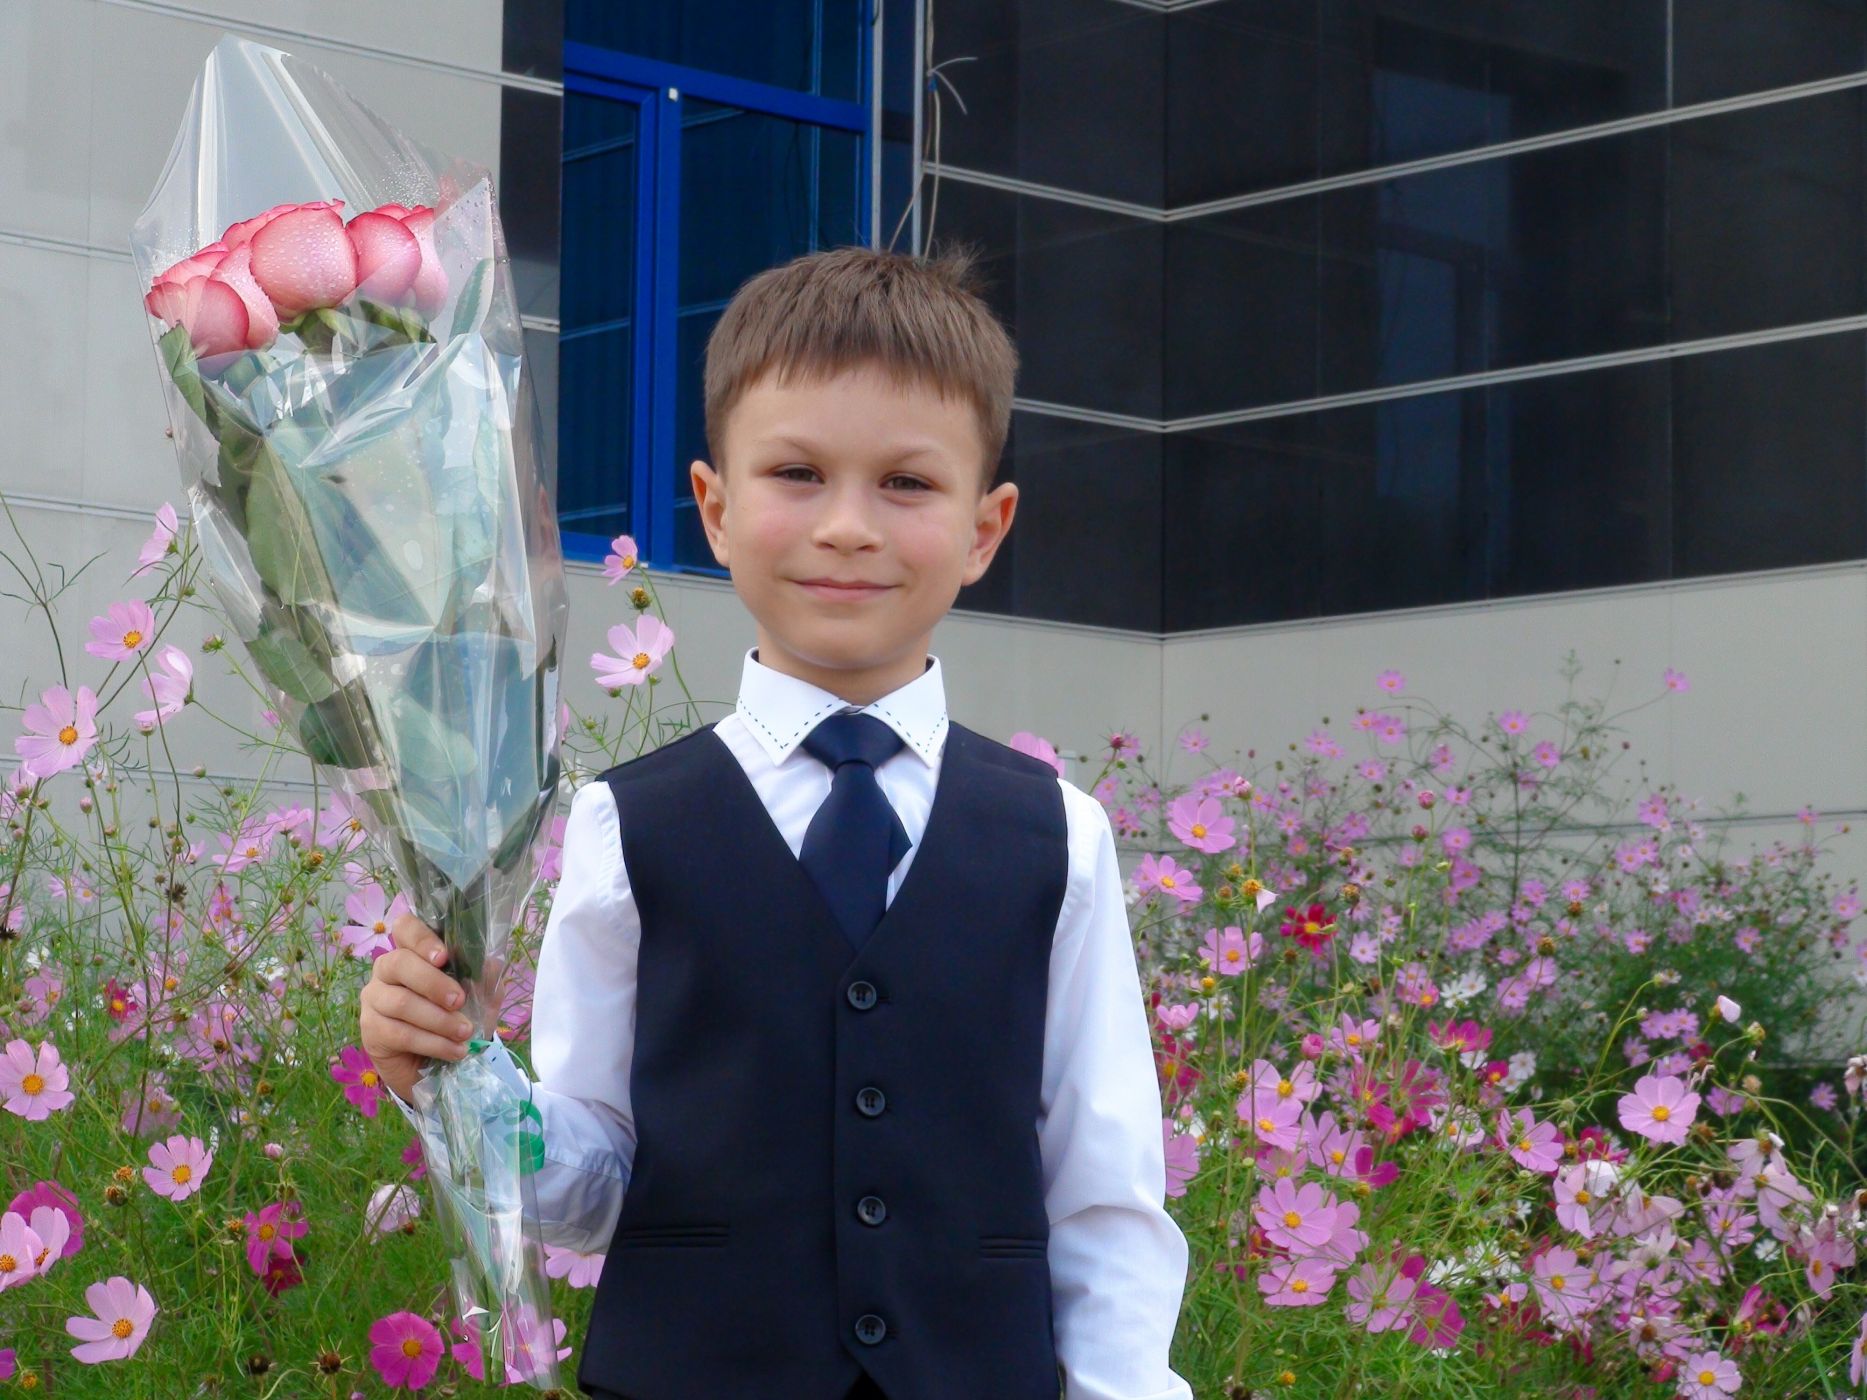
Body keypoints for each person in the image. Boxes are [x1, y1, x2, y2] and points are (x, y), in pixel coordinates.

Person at [358, 244, 1193, 1400]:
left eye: (906, 483)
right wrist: (455, 1074)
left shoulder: (1059, 834)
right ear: (713, 506)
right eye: (796, 472)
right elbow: (594, 1177)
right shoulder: (624, 824)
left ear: (985, 526)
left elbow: (1102, 1194)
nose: (847, 525)